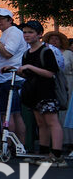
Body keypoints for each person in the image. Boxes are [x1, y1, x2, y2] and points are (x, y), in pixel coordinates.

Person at [16, 20, 65, 166]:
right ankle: (44, 154)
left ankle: (57, 155)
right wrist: (18, 70)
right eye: (25, 32)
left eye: (30, 32)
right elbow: (29, 75)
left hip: (47, 92)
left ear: (39, 34)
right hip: (33, 93)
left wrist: (30, 67)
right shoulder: (26, 54)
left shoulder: (46, 51)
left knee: (52, 122)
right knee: (41, 123)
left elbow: (50, 73)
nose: (27, 35)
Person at [0, 8, 28, 146]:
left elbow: (7, 53)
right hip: (2, 79)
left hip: (11, 78)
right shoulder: (6, 34)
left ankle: (12, 145)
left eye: (1, 18)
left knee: (11, 114)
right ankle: (13, 145)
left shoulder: (15, 33)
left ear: (10, 20)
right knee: (8, 114)